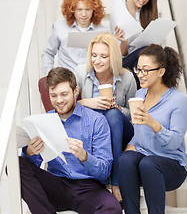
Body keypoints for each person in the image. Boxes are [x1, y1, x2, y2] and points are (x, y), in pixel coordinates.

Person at [19, 67, 122, 214]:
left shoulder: (97, 121)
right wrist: (30, 153)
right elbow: (30, 172)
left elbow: (104, 172)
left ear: (76, 91)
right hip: (57, 185)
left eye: (64, 94)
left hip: (89, 188)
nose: (59, 100)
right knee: (16, 164)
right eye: (53, 96)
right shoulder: (43, 120)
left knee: (113, 209)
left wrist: (84, 157)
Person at [118, 44, 187, 214]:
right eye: (138, 69)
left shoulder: (179, 101)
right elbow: (139, 134)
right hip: (144, 161)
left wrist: (153, 123)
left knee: (148, 164)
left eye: (145, 70)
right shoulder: (140, 95)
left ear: (161, 71)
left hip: (172, 166)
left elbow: (174, 143)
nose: (139, 74)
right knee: (125, 160)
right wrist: (129, 149)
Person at [74, 33, 136, 201]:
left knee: (114, 115)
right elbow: (69, 105)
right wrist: (88, 102)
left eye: (103, 56)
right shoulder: (81, 72)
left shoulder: (127, 77)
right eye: (94, 55)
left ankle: (116, 183)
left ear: (113, 57)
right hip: (94, 131)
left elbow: (135, 114)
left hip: (121, 129)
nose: (97, 60)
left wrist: (119, 109)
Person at [41, 0, 107, 76]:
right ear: (72, 10)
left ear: (94, 10)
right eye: (79, 10)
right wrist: (49, 75)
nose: (84, 14)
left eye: (87, 9)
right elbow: (48, 53)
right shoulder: (59, 28)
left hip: (91, 79)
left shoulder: (103, 32)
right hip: (65, 79)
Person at [111, 0, 158, 87]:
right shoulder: (119, 9)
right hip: (125, 60)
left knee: (151, 56)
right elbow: (122, 54)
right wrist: (123, 41)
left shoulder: (147, 11)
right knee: (143, 55)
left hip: (143, 60)